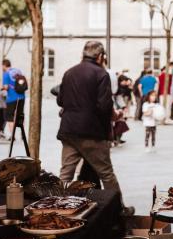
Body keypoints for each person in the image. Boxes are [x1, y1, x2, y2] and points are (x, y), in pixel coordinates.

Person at [56, 41, 134, 216]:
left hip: (68, 130)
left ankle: (55, 209)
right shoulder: (101, 74)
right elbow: (104, 106)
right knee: (106, 173)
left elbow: (60, 100)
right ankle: (119, 210)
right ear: (100, 57)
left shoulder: (69, 72)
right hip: (91, 132)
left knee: (66, 173)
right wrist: (115, 115)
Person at [1, 59, 26, 138]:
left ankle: (13, 136)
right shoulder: (18, 71)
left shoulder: (6, 74)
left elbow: (6, 87)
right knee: (20, 115)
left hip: (11, 98)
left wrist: (2, 89)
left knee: (10, 116)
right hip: (21, 97)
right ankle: (23, 134)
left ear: (4, 65)